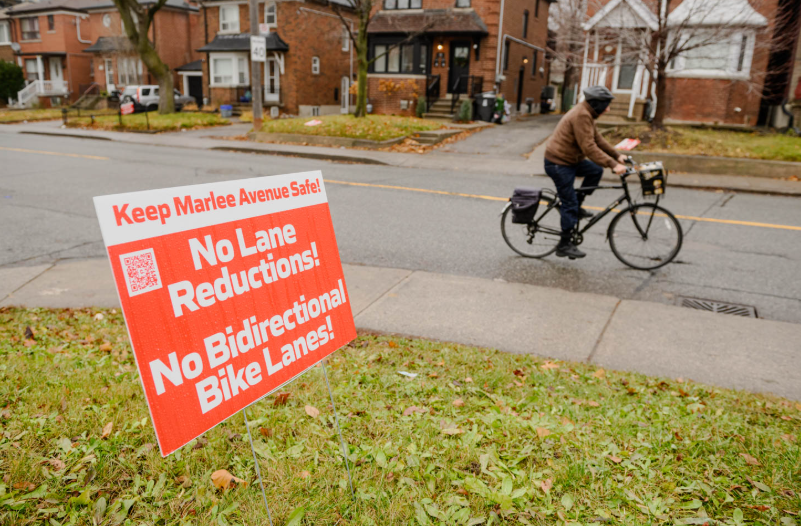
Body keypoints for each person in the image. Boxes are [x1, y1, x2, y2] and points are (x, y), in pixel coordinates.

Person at [543, 86, 629, 259]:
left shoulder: (587, 114)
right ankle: (564, 244)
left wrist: (617, 155)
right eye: (606, 105)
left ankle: (577, 206)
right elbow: (588, 147)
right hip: (558, 163)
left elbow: (597, 139)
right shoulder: (581, 115)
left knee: (595, 171)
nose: (608, 109)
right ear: (596, 103)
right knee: (569, 204)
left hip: (571, 160)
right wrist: (612, 164)